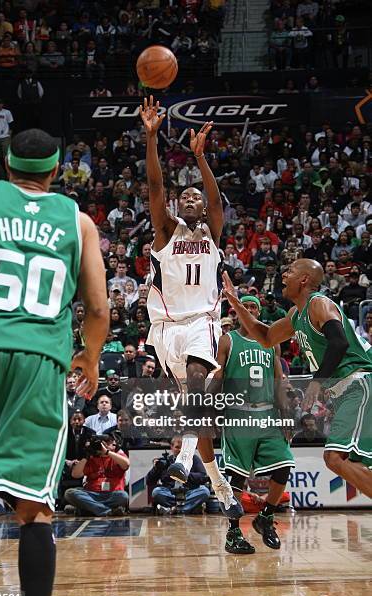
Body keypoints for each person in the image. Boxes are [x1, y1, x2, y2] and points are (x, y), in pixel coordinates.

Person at [0, 128, 109, 596]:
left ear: (5, 165)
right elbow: (98, 308)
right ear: (54, 169)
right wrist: (88, 356)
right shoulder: (78, 220)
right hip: (38, 363)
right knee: (35, 510)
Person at [140, 96, 242, 520]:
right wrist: (151, 138)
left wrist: (201, 160)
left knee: (198, 385)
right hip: (166, 329)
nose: (189, 199)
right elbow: (155, 187)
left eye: (195, 197)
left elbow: (218, 203)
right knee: (194, 405)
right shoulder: (164, 232)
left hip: (201, 321)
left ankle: (183, 461)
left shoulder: (212, 232)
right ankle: (218, 483)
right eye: (184, 196)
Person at [222, 259, 372, 497]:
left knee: (334, 457)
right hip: (346, 391)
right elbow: (266, 337)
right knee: (350, 462)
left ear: (303, 280)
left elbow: (339, 342)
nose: (283, 275)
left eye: (289, 271)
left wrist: (316, 381)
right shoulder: (296, 314)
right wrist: (235, 302)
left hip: (359, 384)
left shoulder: (319, 304)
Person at [212, 295, 294, 554]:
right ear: (235, 313)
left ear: (258, 311)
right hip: (238, 415)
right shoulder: (228, 340)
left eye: (253, 307)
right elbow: (218, 377)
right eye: (244, 307)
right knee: (237, 477)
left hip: (267, 414)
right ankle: (234, 532)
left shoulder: (272, 342)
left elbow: (279, 382)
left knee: (284, 467)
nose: (249, 310)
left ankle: (265, 516)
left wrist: (286, 416)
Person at [64, 434, 129, 516]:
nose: (103, 446)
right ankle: (107, 511)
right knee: (69, 493)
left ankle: (86, 509)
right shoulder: (91, 459)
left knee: (123, 496)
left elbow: (126, 464)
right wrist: (86, 456)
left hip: (112, 494)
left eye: (108, 443)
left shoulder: (118, 456)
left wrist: (107, 452)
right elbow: (75, 475)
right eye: (102, 444)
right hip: (91, 494)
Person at [146, 437, 210, 515]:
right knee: (156, 492)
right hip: (170, 492)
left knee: (204, 491)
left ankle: (175, 509)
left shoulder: (194, 459)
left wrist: (184, 474)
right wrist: (156, 469)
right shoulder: (165, 461)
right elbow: (149, 481)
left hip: (189, 491)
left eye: (183, 448)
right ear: (171, 448)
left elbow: (203, 476)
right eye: (177, 447)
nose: (180, 450)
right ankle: (186, 508)